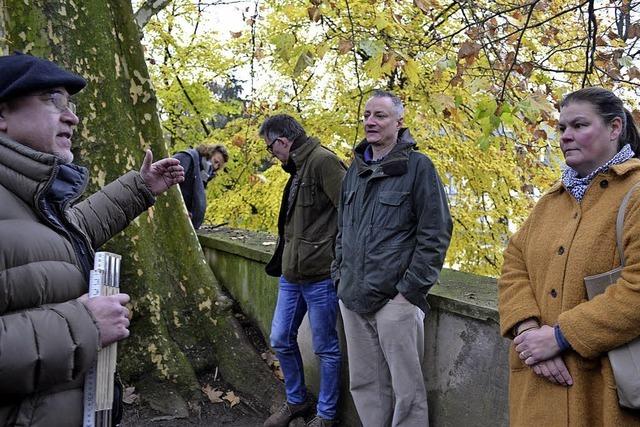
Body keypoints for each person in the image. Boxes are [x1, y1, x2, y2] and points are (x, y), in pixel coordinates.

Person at [0, 52, 184, 426]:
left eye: (70, 103)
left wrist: (140, 187)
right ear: (2, 115)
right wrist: (84, 324)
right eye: (53, 100)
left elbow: (60, 241)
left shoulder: (28, 197)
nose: (72, 116)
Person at [498, 87, 640, 425]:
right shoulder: (551, 200)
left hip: (602, 394)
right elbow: (513, 263)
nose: (566, 137)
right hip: (536, 393)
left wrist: (561, 336)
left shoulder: (635, 195)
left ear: (615, 128)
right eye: (562, 128)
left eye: (579, 126)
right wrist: (529, 332)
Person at [332, 90, 453, 427]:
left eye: (380, 116)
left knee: (407, 391)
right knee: (366, 385)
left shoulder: (418, 167)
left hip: (395, 302)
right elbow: (342, 228)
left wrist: (409, 291)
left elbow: (436, 231)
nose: (370, 121)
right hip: (353, 296)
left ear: (399, 123)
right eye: (367, 114)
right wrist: (339, 275)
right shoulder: (354, 170)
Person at [260, 114, 346, 427]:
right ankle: (297, 402)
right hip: (291, 275)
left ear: (282, 141)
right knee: (280, 338)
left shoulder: (323, 162)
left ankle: (325, 415)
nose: (273, 154)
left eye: (271, 148)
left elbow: (349, 215)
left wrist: (336, 261)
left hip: (321, 276)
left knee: (325, 348)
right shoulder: (297, 168)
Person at [174, 143, 228, 229]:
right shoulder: (188, 157)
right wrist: (180, 209)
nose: (215, 166)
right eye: (216, 162)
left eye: (218, 166)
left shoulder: (203, 175)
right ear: (210, 153)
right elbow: (169, 183)